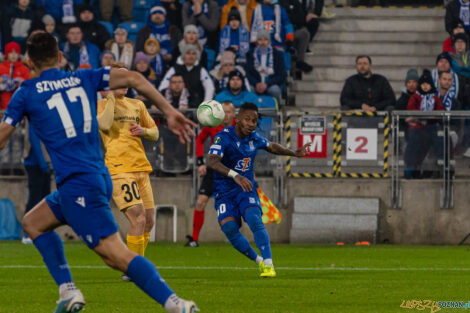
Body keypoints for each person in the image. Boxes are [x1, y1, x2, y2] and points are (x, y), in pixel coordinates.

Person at [0, 32, 197, 313]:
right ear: (59, 57)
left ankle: (176, 304)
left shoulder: (26, 92)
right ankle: (68, 292)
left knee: (115, 254)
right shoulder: (85, 77)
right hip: (94, 177)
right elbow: (134, 78)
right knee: (33, 223)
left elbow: (3, 138)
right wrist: (168, 110)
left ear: (29, 62)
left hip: (79, 183)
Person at [207, 102, 310, 277]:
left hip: (245, 189)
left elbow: (272, 146)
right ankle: (259, 261)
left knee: (254, 220)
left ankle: (269, 265)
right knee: (230, 229)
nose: (251, 124)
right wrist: (235, 175)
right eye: (247, 119)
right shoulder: (223, 137)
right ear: (237, 119)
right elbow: (212, 161)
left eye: (254, 121)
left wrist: (294, 153)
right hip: (224, 191)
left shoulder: (254, 138)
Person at [97, 63, 159, 282]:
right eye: (118, 79)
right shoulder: (101, 104)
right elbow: (104, 126)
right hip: (118, 169)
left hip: (141, 167)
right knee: (139, 218)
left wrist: (143, 131)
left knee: (149, 221)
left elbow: (155, 133)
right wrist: (111, 97)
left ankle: (135, 265)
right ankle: (135, 269)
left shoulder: (137, 105)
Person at [185, 101, 236, 247]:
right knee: (200, 201)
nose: (225, 115)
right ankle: (194, 239)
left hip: (231, 170)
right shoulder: (212, 124)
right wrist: (200, 162)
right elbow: (200, 140)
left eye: (228, 112)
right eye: (223, 111)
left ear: (233, 114)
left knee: (234, 205)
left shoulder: (239, 128)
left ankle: (235, 238)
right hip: (214, 168)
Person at [404, 69, 444, 179]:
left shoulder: (435, 98)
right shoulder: (415, 97)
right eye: (423, 84)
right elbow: (411, 110)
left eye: (428, 84)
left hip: (431, 128)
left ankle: (440, 167)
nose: (425, 87)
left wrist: (431, 116)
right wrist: (421, 116)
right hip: (417, 128)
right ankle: (411, 168)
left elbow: (440, 111)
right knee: (414, 144)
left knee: (439, 140)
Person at [22, 123, 51, 244]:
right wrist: (43, 163)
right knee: (35, 199)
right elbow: (34, 140)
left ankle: (44, 232)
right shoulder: (33, 114)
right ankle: (27, 234)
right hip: (34, 163)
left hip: (44, 161)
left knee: (46, 199)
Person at [246, 30, 286, 103]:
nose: (263, 42)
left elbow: (281, 75)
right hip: (255, 84)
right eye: (260, 40)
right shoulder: (250, 54)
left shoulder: (277, 54)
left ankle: (277, 109)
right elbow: (248, 73)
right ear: (257, 41)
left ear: (269, 41)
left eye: (265, 39)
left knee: (275, 90)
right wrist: (256, 84)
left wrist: (267, 84)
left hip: (271, 84)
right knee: (249, 90)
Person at [0, 41, 30, 110]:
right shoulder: (1, 67)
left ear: (19, 54)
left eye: (16, 52)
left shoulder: (24, 69)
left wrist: (22, 81)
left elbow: (29, 87)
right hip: (3, 107)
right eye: (11, 52)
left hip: (19, 106)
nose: (13, 55)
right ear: (6, 54)